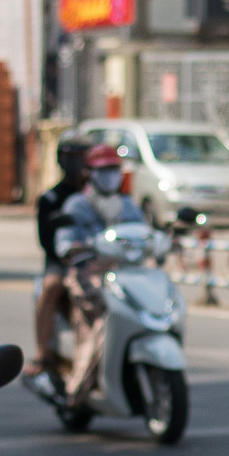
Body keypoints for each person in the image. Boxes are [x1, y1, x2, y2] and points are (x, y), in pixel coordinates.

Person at [38, 143, 146, 396]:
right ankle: (68, 373)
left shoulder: (128, 206)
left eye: (113, 169)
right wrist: (75, 250)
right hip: (83, 271)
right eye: (103, 169)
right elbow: (59, 242)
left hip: (121, 274)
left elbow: (143, 235)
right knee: (90, 311)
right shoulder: (73, 204)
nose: (109, 175)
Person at [22, 140, 94, 400]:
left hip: (98, 261)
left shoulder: (99, 194)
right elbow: (47, 242)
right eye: (71, 156)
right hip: (63, 262)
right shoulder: (51, 198)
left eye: (82, 156)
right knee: (51, 286)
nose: (78, 163)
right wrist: (70, 255)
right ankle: (43, 352)